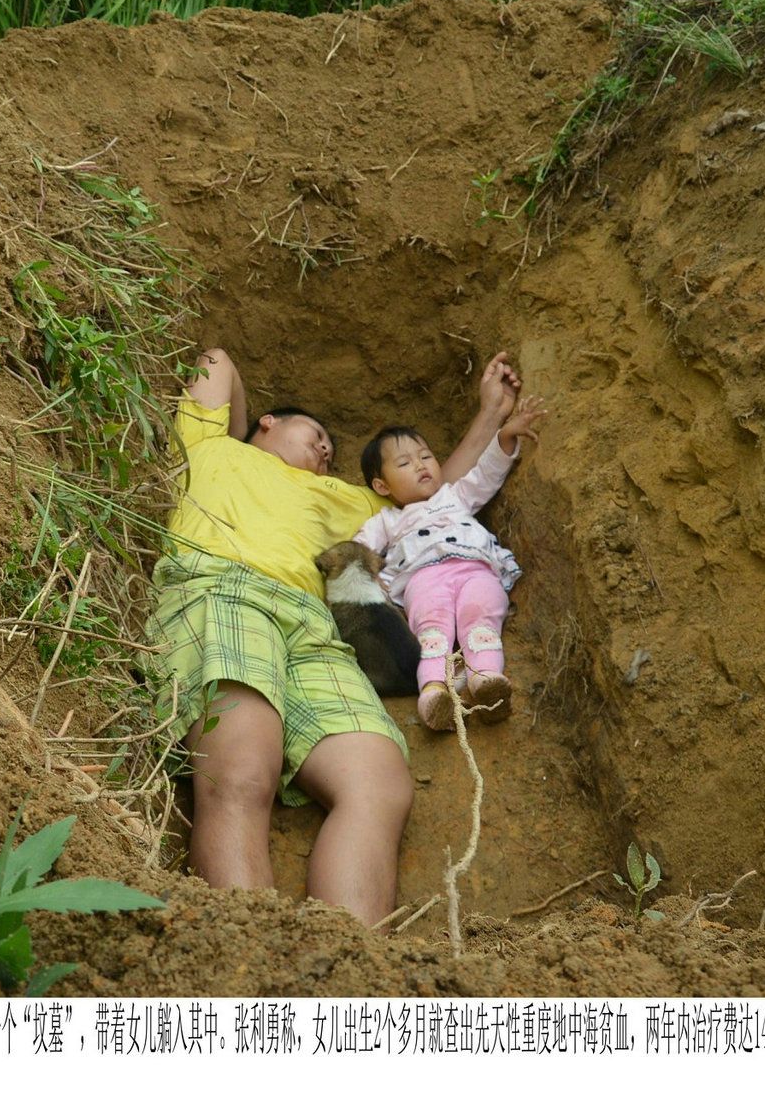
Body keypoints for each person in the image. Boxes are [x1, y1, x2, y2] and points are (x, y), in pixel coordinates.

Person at [148, 346, 521, 925]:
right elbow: (217, 361)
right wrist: (243, 431)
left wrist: (491, 412)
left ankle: (349, 968)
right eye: (315, 434)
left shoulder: (347, 499)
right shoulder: (209, 446)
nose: (326, 449)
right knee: (241, 771)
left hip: (314, 624)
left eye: (331, 448)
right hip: (223, 586)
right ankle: (241, 964)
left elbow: (433, 494)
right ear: (266, 423)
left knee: (379, 784)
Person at [353, 395, 548, 733]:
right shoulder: (386, 521)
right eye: (404, 463)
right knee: (432, 631)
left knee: (481, 617)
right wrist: (368, 576)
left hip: (476, 569)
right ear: (381, 486)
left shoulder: (455, 496)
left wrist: (505, 436)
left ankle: (485, 679)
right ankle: (434, 693)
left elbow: (487, 474)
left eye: (426, 456)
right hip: (423, 579)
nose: (420, 465)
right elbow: (359, 550)